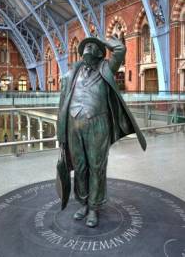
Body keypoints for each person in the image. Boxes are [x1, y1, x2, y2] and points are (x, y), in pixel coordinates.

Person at [57, 34, 146, 228]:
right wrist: (60, 134)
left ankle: (94, 208)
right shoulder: (72, 73)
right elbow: (62, 103)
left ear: (99, 52)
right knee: (80, 168)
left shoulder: (106, 67)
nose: (88, 49)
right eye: (86, 46)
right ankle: (83, 203)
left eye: (92, 46)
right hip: (73, 126)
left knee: (97, 168)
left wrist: (103, 41)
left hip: (98, 125)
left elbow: (121, 50)